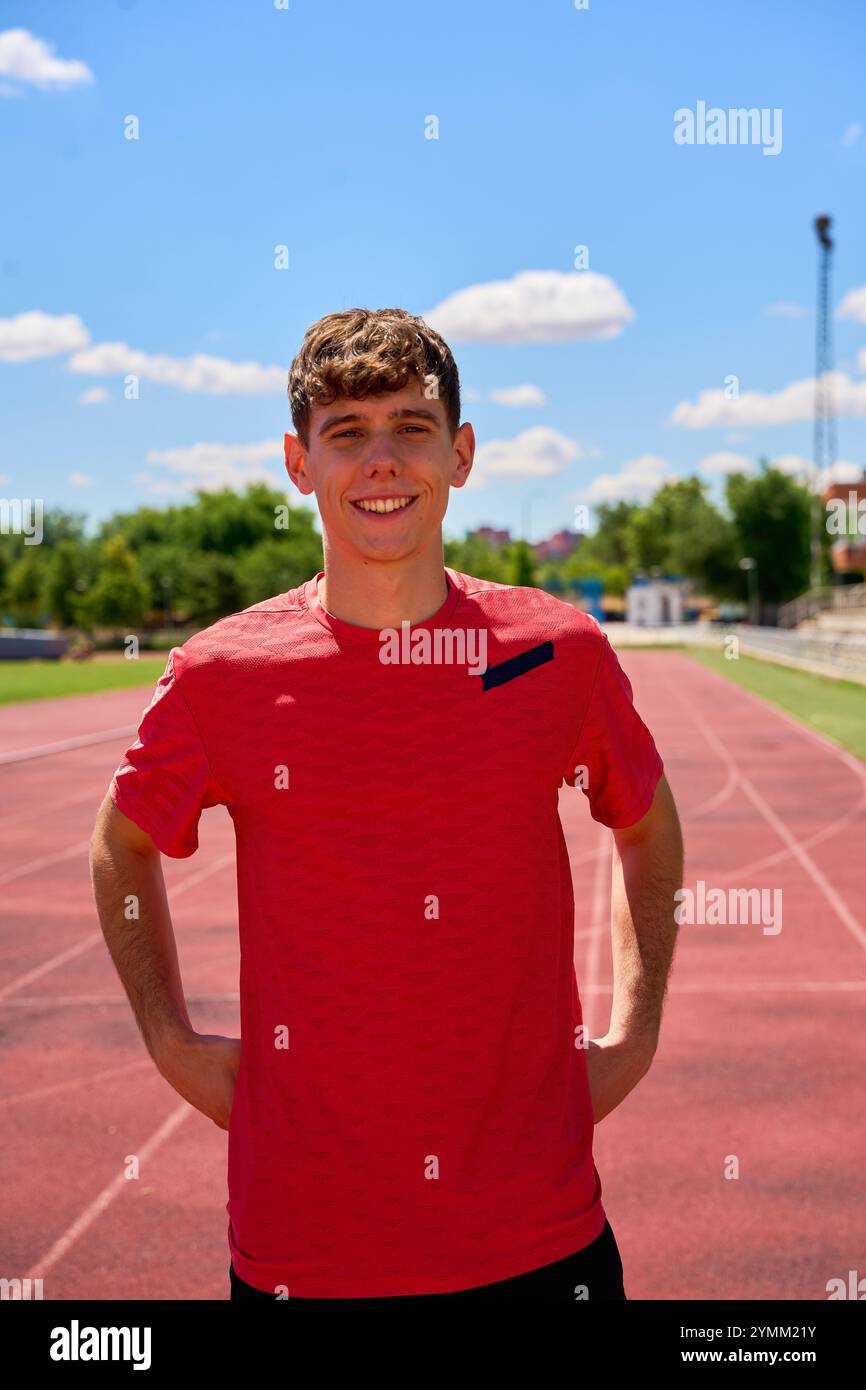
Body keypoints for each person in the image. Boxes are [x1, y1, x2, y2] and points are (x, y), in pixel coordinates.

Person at [90, 307, 683, 1302]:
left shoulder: (554, 651)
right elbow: (119, 848)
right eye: (346, 434)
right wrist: (169, 1038)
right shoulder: (221, 673)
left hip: (537, 1231)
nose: (381, 462)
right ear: (296, 461)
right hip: (307, 1247)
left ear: (459, 454)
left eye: (410, 428)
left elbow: (645, 823)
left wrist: (636, 1027)